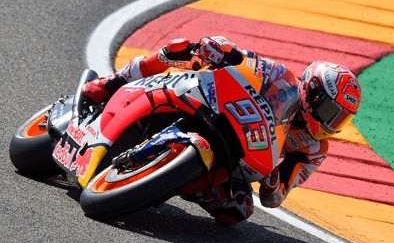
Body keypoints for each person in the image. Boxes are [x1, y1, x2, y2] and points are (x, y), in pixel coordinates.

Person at [82, 36, 361, 225]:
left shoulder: (313, 149)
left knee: (238, 210)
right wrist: (223, 49)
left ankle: (176, 176)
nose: (331, 124)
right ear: (312, 94)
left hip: (239, 156)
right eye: (330, 113)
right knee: (183, 50)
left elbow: (273, 197)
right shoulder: (282, 78)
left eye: (341, 119)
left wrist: (275, 182)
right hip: (221, 109)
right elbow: (247, 61)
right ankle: (114, 81)